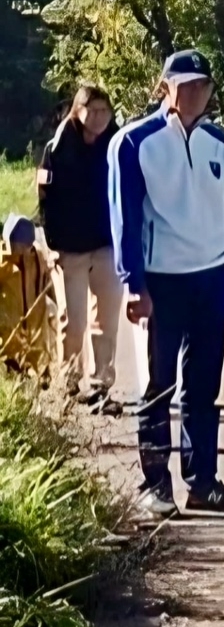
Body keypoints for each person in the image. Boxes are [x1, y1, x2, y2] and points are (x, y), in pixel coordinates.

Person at [112, 51, 224, 519]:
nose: (195, 93)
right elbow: (126, 217)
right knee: (158, 386)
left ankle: (203, 481)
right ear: (165, 87)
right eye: (185, 84)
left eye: (203, 85)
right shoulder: (136, 142)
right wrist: (134, 283)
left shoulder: (219, 143)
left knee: (202, 386)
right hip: (161, 282)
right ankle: (154, 484)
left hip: (212, 278)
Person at [37, 86, 119, 408]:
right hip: (69, 247)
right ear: (78, 111)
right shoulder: (58, 147)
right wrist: (53, 240)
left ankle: (101, 382)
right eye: (92, 110)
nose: (99, 117)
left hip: (106, 243)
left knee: (107, 316)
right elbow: (45, 196)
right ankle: (69, 380)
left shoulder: (117, 144)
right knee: (74, 320)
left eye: (104, 110)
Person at [0, 218, 56, 386]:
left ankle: (42, 370)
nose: (24, 250)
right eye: (20, 246)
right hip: (10, 314)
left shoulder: (36, 258)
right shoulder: (4, 261)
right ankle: (14, 367)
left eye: (27, 246)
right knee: (10, 338)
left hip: (34, 312)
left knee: (40, 336)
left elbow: (48, 278)